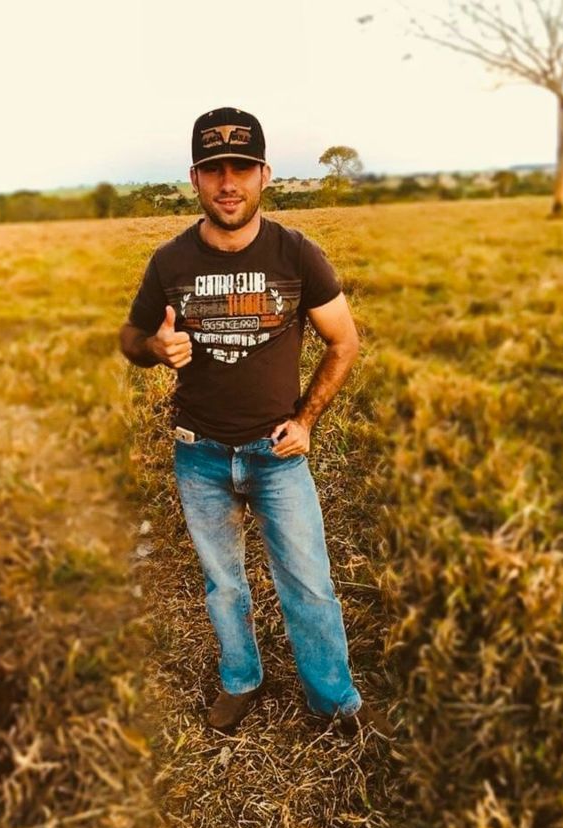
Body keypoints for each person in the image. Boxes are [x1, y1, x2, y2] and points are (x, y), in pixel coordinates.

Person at [120, 107, 393, 736]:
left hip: (276, 453)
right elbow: (130, 337)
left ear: (264, 174)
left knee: (310, 584)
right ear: (194, 177)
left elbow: (344, 341)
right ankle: (241, 680)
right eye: (213, 169)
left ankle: (334, 700)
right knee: (223, 584)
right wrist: (153, 347)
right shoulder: (169, 261)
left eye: (241, 167)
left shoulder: (297, 254)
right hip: (198, 453)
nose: (228, 183)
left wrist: (307, 420)